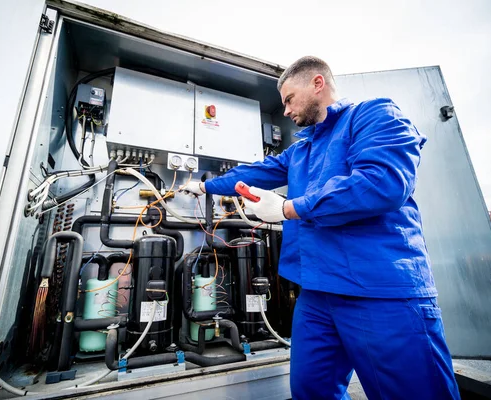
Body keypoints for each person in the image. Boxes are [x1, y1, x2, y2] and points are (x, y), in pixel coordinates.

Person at [183, 56, 460, 400]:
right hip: (317, 293)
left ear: (317, 83)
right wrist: (205, 186)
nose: (285, 111)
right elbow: (255, 172)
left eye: (288, 99)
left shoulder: (374, 115)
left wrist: (287, 208)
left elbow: (382, 184)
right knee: (311, 390)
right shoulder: (302, 149)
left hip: (380, 290)